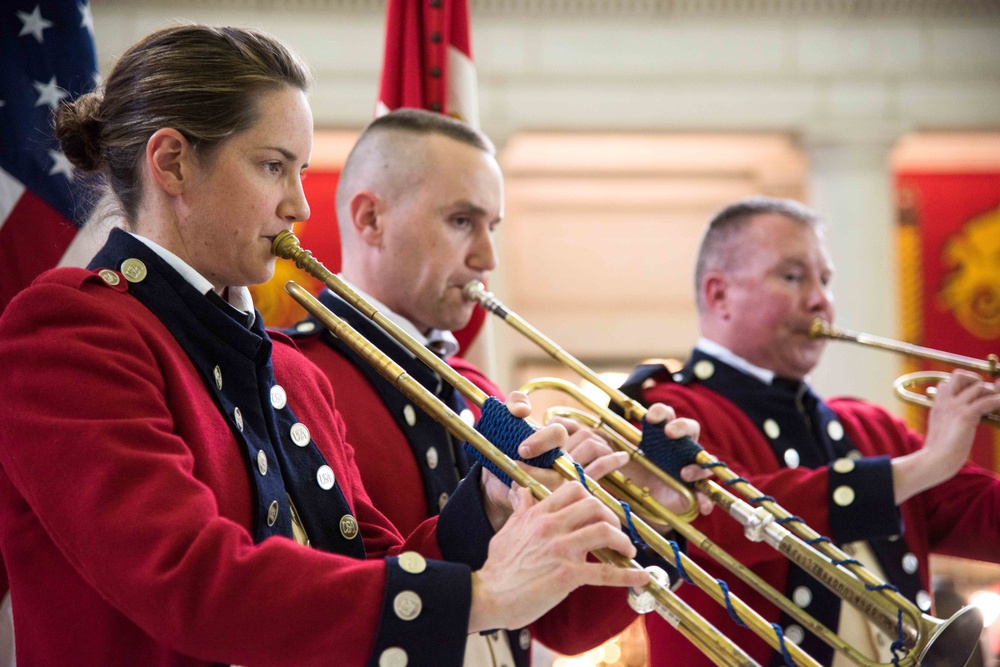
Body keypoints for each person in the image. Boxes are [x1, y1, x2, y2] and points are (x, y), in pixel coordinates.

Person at [0, 25, 655, 666]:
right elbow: (189, 580)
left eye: (300, 170)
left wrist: (488, 499)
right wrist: (482, 596)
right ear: (172, 162)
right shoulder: (69, 329)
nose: (299, 206)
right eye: (272, 166)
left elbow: (370, 565)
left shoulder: (292, 372)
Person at [286, 108, 712, 664]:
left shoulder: (478, 388)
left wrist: (651, 510)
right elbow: (332, 598)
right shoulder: (294, 372)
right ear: (370, 219)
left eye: (492, 227)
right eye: (462, 221)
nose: (487, 258)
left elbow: (560, 626)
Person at [619, 195, 1000, 666]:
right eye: (793, 276)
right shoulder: (664, 411)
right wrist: (922, 467)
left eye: (825, 280)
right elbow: (724, 516)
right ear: (719, 295)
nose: (820, 298)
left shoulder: (871, 426)